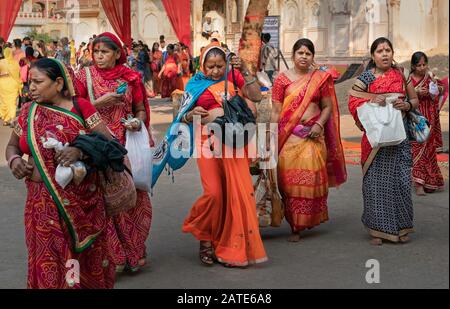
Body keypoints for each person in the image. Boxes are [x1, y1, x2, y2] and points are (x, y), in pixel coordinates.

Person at [5, 58, 115, 288]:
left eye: (37, 82)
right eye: (29, 82)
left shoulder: (81, 107)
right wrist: (14, 159)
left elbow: (109, 145)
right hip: (41, 205)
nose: (31, 88)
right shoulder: (27, 112)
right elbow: (13, 146)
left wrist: (80, 151)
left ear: (57, 83)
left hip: (82, 203)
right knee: (49, 261)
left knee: (80, 262)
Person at [160, 42, 267, 267]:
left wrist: (245, 71)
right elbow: (181, 116)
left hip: (234, 143)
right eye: (210, 66)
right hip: (206, 143)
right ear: (202, 65)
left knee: (235, 195)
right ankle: (204, 233)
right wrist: (191, 116)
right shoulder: (194, 84)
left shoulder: (234, 77)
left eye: (220, 66)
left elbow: (256, 96)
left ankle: (228, 248)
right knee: (215, 194)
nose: (216, 71)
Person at [74, 32, 153, 272]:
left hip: (125, 145)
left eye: (105, 52)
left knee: (131, 199)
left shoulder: (131, 78)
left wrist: (138, 122)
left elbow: (139, 108)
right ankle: (114, 257)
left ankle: (134, 251)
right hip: (98, 148)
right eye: (96, 52)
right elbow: (73, 110)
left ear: (117, 54)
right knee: (105, 201)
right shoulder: (83, 76)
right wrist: (101, 103)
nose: (99, 56)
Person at [270, 39, 347, 242]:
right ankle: (294, 224)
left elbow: (327, 107)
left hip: (313, 135)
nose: (304, 56)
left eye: (308, 53)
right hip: (288, 136)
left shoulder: (319, 78)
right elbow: (276, 110)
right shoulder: (281, 80)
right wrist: (268, 136)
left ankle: (303, 222)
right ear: (293, 55)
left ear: (312, 57)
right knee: (289, 182)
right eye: (300, 53)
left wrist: (319, 124)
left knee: (310, 179)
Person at [348, 37, 419, 245]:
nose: (385, 54)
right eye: (380, 51)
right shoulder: (366, 78)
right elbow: (353, 100)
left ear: (393, 53)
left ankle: (402, 226)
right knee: (375, 183)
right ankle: (378, 230)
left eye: (388, 50)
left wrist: (406, 105)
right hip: (375, 140)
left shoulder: (402, 74)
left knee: (402, 182)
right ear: (373, 55)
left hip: (400, 137)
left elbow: (414, 100)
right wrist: (371, 99)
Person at [408, 52, 445, 195]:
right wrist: (415, 92)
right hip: (415, 119)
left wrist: (436, 87)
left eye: (424, 64)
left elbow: (441, 90)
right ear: (413, 65)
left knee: (429, 149)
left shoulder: (430, 76)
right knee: (418, 149)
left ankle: (431, 181)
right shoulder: (408, 79)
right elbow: (402, 95)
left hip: (429, 117)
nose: (422, 67)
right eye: (419, 65)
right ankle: (418, 184)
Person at [0, 48, 23, 126]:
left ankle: (6, 120)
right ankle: (12, 119)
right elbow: (19, 75)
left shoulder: (1, 62)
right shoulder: (15, 63)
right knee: (12, 102)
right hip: (14, 84)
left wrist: (3, 74)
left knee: (4, 102)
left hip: (3, 84)